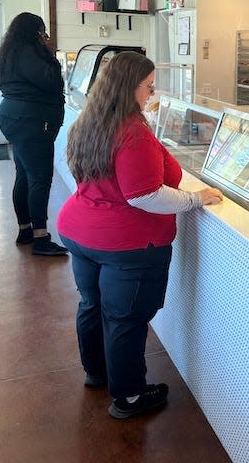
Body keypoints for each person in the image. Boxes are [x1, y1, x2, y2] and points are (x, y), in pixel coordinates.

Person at [56, 51, 222, 419]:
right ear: (128, 87)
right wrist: (196, 199)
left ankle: (96, 372)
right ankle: (129, 396)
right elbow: (145, 195)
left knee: (92, 304)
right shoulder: (131, 132)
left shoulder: (90, 120)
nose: (152, 93)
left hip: (80, 231)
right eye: (148, 87)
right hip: (126, 244)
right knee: (125, 319)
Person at [0, 12, 67, 256]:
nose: (44, 36)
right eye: (42, 32)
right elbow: (52, 81)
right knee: (40, 177)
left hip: (15, 117)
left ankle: (25, 229)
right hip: (32, 120)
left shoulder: (11, 52)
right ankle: (41, 238)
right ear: (35, 32)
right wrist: (51, 54)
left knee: (24, 174)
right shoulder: (29, 52)